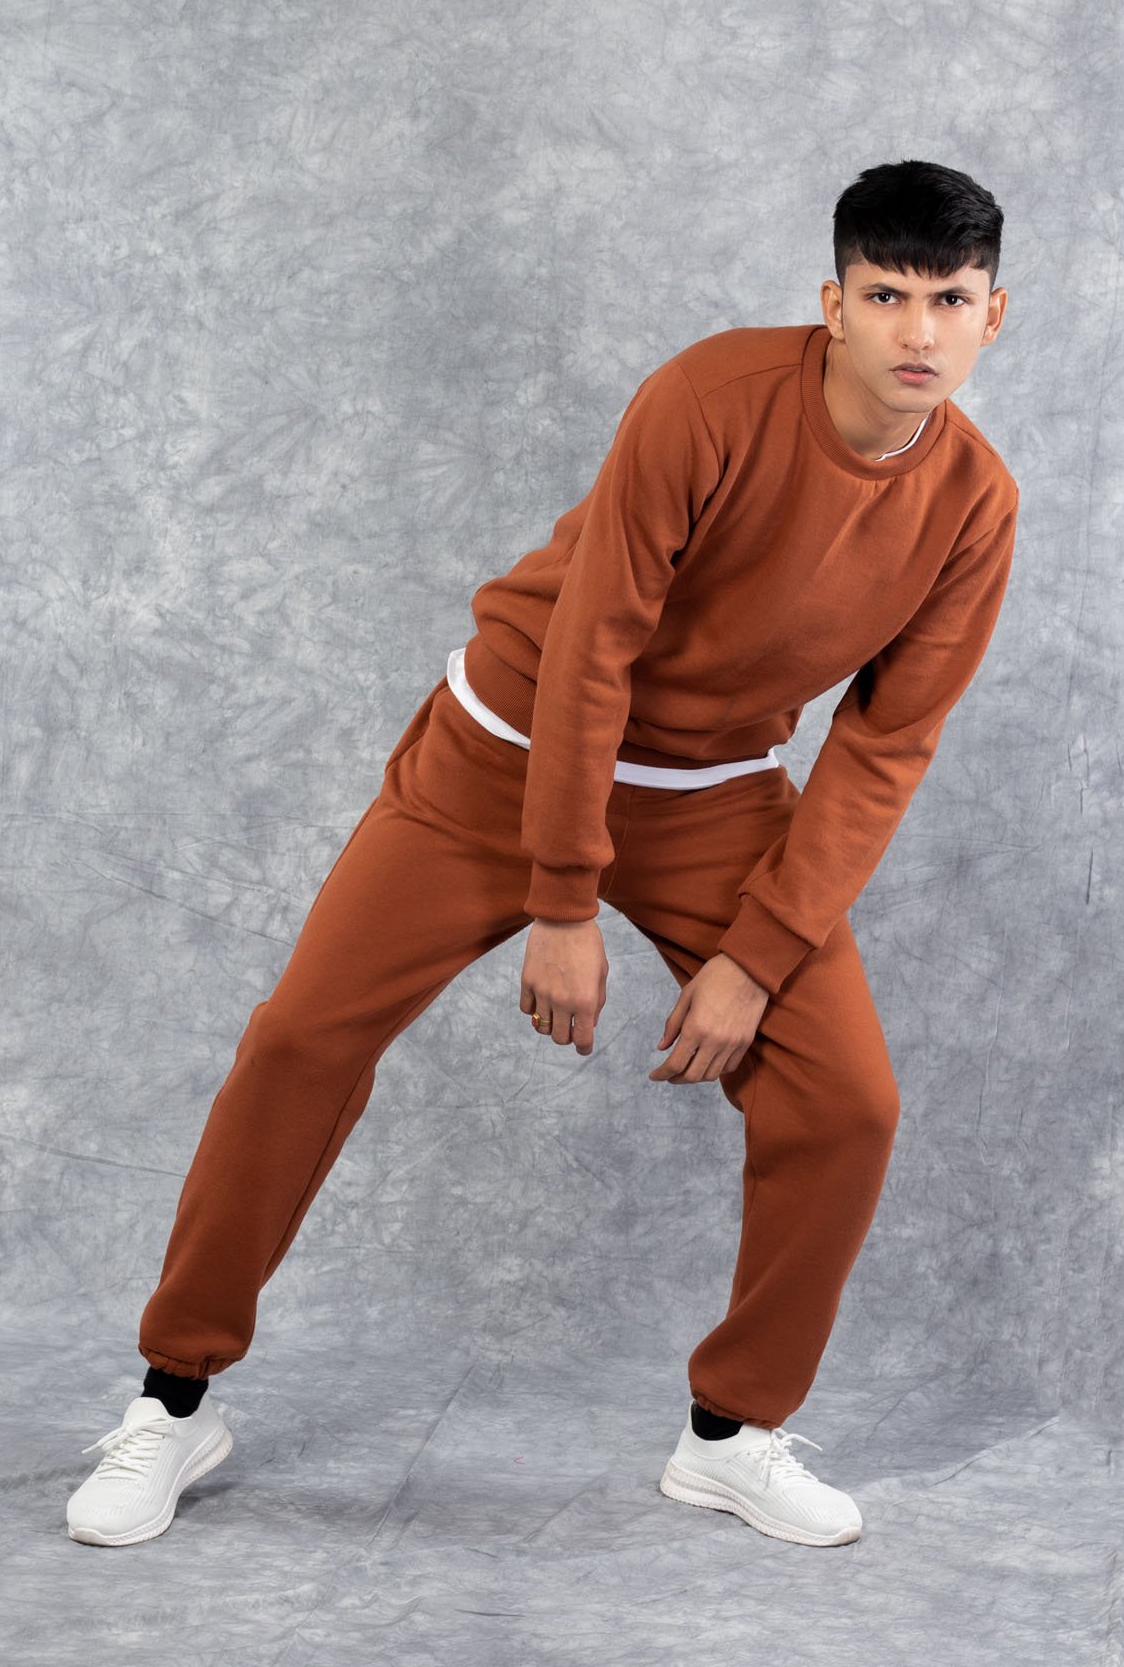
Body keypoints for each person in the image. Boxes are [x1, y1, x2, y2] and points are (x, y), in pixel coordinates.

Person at [65, 157, 1018, 1550]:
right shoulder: (707, 400)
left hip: (711, 798)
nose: (917, 331)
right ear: (832, 305)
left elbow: (884, 748)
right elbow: (592, 646)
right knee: (302, 1039)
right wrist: (563, 900)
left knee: (846, 1103)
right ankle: (173, 1398)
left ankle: (732, 1435)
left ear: (994, 313)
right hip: (506, 751)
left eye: (948, 300)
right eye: (885, 296)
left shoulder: (975, 504)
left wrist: (757, 958)